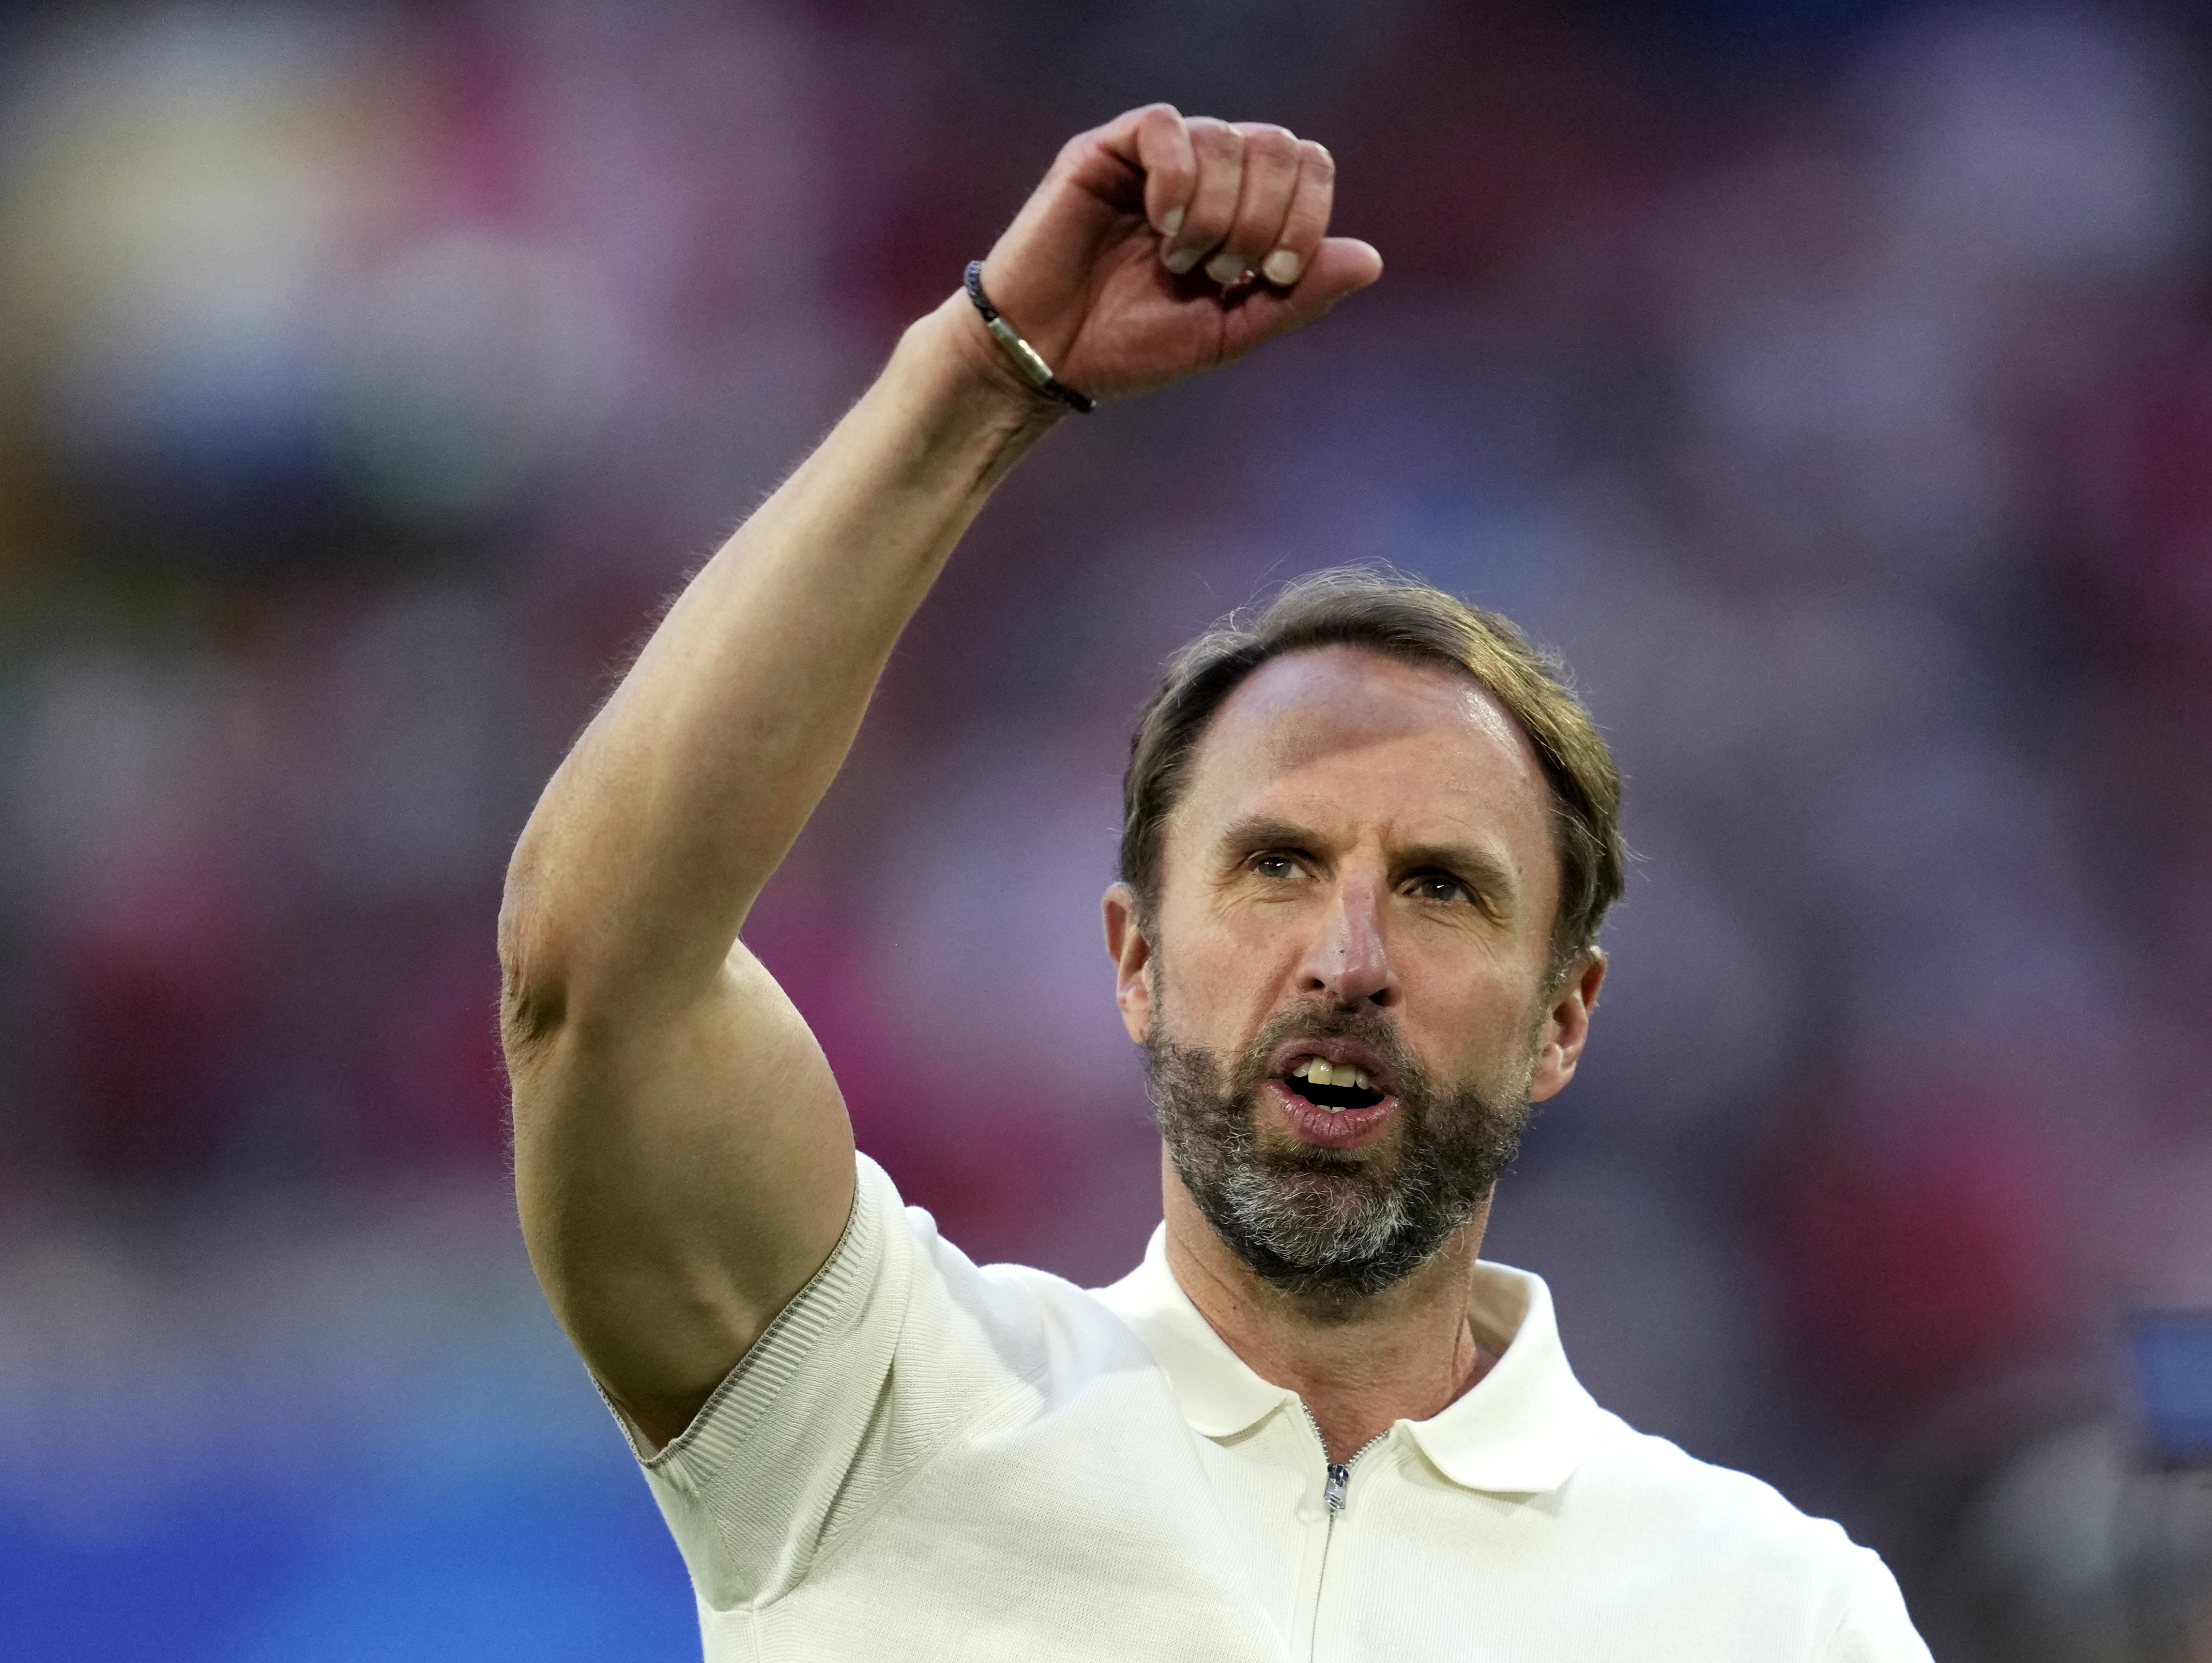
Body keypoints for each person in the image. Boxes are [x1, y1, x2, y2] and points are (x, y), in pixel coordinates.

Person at [498, 103, 1933, 1660]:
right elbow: (595, 980)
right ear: (1133, 957)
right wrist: (981, 379)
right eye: (1276, 864)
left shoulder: (1774, 1610)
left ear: (1566, 1014)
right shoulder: (872, 1412)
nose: (1349, 953)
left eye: (1445, 887)